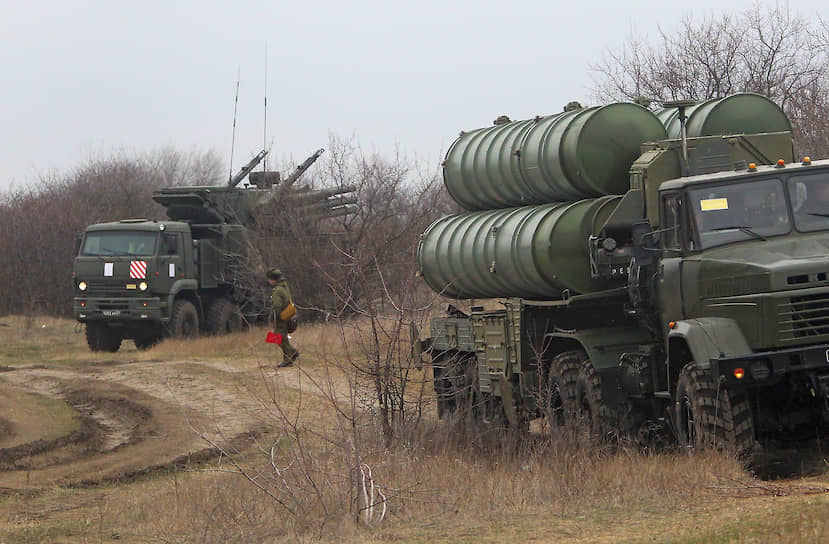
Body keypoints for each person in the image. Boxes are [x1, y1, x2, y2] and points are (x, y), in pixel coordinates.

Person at [266, 267, 299, 367]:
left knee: (278, 338)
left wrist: (272, 319)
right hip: (288, 315)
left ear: (273, 279)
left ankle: (292, 352)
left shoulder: (277, 290)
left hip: (280, 317)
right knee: (283, 338)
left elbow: (276, 306)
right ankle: (287, 359)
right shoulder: (285, 287)